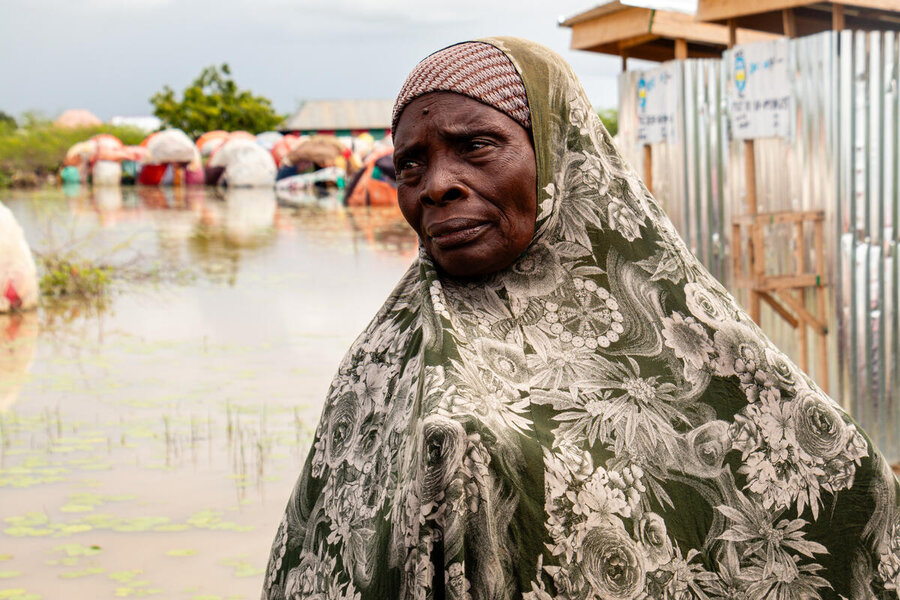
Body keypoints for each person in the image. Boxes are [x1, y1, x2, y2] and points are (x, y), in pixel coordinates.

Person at [262, 37, 900, 600]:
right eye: (411, 164)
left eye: (477, 145)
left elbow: (849, 495)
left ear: (563, 155)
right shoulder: (379, 370)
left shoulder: (693, 337)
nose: (435, 186)